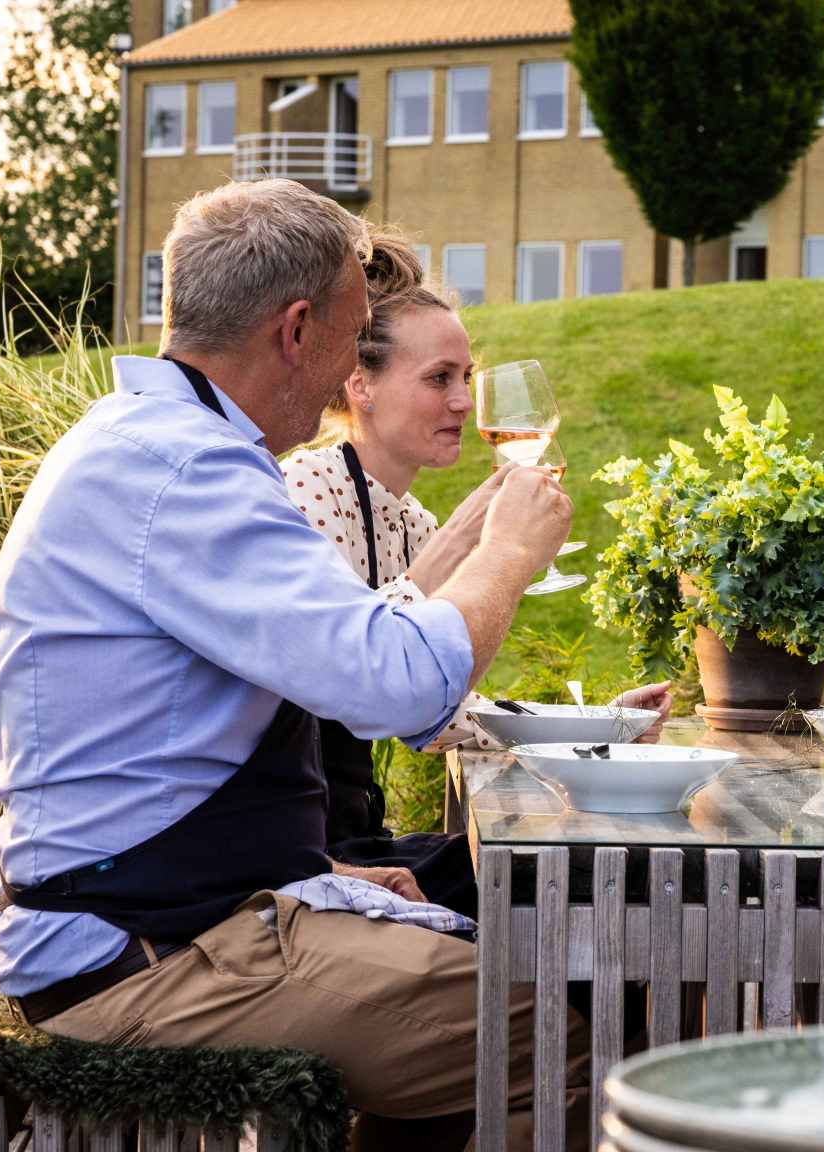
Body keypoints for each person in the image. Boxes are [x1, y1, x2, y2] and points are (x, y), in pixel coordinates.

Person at [0, 179, 580, 1150]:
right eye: (353, 337)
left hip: (152, 927)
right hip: (137, 964)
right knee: (572, 1011)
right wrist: (508, 550)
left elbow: (161, 759)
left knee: (516, 980)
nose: (352, 367)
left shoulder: (148, 446)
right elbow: (399, 686)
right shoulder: (189, 473)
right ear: (298, 330)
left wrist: (322, 871)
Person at [282, 232, 670, 918]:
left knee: (585, 862)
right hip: (306, 861)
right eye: (440, 378)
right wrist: (477, 542)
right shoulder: (310, 491)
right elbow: (358, 684)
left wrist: (604, 726)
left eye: (467, 377)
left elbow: (446, 720)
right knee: (568, 881)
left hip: (357, 843)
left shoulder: (409, 520)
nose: (465, 402)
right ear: (360, 382)